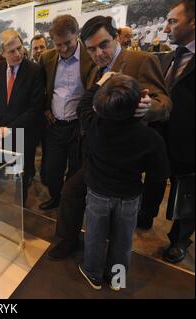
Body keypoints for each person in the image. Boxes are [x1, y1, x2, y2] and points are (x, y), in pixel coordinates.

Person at [46, 15, 172, 260]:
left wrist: (150, 107)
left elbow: (165, 103)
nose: (98, 53)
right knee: (71, 191)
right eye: (91, 49)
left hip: (125, 160)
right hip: (96, 152)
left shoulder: (141, 60)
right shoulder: (94, 69)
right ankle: (69, 241)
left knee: (117, 218)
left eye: (103, 44)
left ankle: (109, 263)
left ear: (116, 37)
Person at [76, 73, 169, 290]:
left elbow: (82, 105)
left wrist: (100, 81)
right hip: (129, 196)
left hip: (98, 193)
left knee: (95, 236)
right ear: (140, 104)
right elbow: (159, 173)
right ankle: (117, 279)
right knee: (123, 241)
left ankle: (93, 274)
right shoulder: (150, 138)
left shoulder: (94, 124)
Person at [38, 15, 96, 211]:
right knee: (52, 170)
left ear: (77, 35)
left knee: (76, 170)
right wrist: (45, 108)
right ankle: (56, 197)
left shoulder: (90, 58)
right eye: (58, 44)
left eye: (68, 43)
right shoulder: (46, 58)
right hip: (54, 125)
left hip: (77, 127)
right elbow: (41, 89)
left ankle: (69, 204)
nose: (63, 49)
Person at [0, 29, 45, 204]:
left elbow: (35, 109)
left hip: (24, 133)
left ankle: (21, 209)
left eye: (20, 48)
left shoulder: (34, 70)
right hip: (0, 132)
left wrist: (9, 129)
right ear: (2, 52)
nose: (18, 53)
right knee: (4, 168)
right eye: (12, 51)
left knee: (22, 174)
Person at [160, 0, 195, 264]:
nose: (165, 28)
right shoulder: (174, 55)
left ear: (192, 22)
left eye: (173, 21)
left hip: (190, 143)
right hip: (164, 139)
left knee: (188, 193)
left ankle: (180, 240)